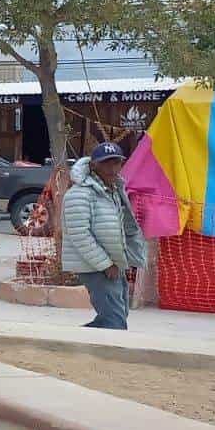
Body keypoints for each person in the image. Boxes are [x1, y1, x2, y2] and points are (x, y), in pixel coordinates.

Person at [61, 141, 147, 330]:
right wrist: (105, 264)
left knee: (116, 315)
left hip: (114, 264)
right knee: (114, 321)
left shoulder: (114, 190)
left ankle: (73, 341)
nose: (112, 168)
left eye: (116, 162)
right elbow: (80, 235)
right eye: (106, 163)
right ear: (93, 166)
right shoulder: (79, 194)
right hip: (96, 267)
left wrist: (126, 258)